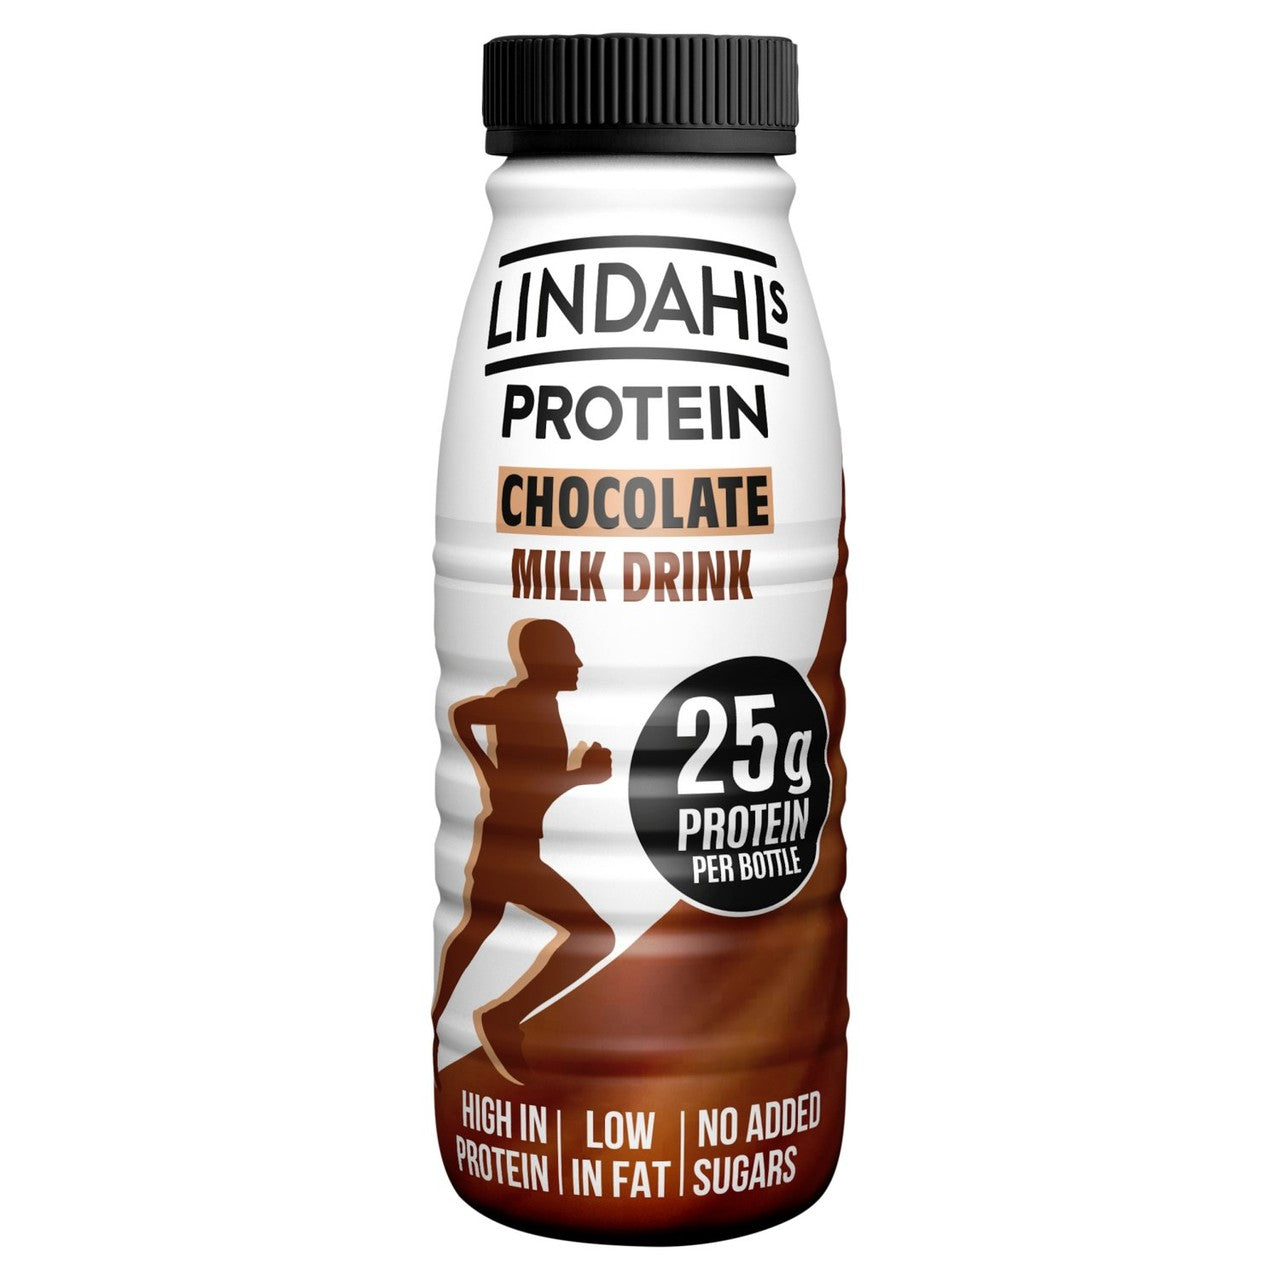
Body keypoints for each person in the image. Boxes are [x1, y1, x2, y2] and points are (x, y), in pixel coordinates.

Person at [432, 618, 613, 1084]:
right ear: (544, 660)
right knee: (593, 936)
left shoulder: (538, 705)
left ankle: (444, 1020)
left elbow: (469, 719)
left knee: (474, 932)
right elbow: (469, 720)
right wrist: (582, 775)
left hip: (509, 844)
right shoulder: (525, 704)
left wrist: (495, 773)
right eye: (568, 653)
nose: (578, 662)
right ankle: (498, 1019)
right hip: (509, 851)